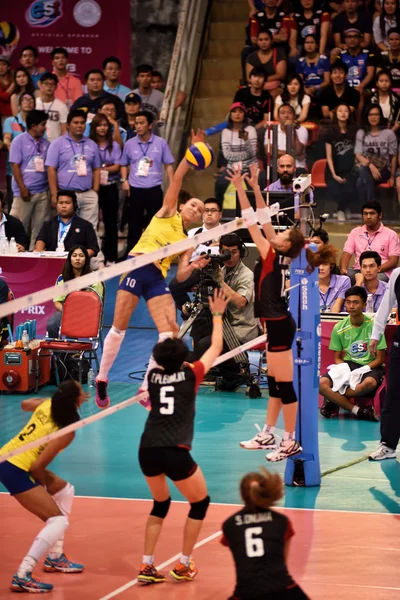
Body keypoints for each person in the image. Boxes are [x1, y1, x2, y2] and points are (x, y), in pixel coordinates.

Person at [231, 162, 336, 461]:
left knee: (284, 383)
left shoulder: (269, 254)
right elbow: (264, 219)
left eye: (282, 233)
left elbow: (255, 221)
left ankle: (289, 439)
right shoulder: (276, 253)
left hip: (279, 324)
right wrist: (252, 186)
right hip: (274, 322)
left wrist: (241, 188)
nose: (275, 233)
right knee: (276, 383)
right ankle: (268, 433)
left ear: (286, 244)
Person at [95, 130, 207, 409]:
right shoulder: (168, 211)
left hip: (157, 278)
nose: (197, 209)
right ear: (182, 206)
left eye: (202, 209)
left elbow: (180, 276)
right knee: (119, 328)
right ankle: (102, 377)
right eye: (193, 204)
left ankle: (146, 386)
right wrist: (192, 154)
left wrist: (194, 264)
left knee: (170, 332)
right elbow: (177, 178)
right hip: (137, 268)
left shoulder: (188, 241)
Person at [137, 289, 227, 584]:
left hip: (147, 448)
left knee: (160, 504)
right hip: (174, 449)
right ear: (184, 357)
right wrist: (217, 315)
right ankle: (184, 564)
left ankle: (147, 565)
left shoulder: (152, 376)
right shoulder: (193, 373)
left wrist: (171, 333)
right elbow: (216, 345)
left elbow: (164, 356)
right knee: (199, 503)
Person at [0, 381, 87, 593]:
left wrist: (43, 404)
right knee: (57, 521)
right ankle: (23, 575)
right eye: (81, 392)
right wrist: (41, 489)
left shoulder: (47, 405)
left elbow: (25, 404)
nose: (85, 394)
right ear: (75, 401)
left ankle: (55, 558)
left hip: (8, 457)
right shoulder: (66, 430)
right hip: (17, 469)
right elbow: (38, 466)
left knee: (65, 490)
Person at [221, 468, 310, 600]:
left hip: (246, 592)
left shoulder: (229, 525)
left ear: (242, 494)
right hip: (282, 589)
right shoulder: (281, 521)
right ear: (266, 491)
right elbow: (282, 560)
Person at [319, 286, 386, 420]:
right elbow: (337, 358)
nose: (351, 306)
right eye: (348, 302)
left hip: (370, 366)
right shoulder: (339, 327)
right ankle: (358, 411)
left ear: (364, 304)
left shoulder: (374, 326)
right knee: (321, 384)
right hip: (348, 365)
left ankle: (333, 399)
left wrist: (364, 368)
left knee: (369, 384)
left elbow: (380, 359)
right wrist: (345, 369)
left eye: (355, 302)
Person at [118, 110, 175, 251]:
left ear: (150, 125)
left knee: (155, 224)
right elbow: (123, 164)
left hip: (154, 189)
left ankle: (154, 254)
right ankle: (132, 254)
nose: (138, 126)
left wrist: (173, 185)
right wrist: (124, 180)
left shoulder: (160, 143)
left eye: (141, 123)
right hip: (135, 189)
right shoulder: (130, 144)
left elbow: (168, 164)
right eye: (136, 123)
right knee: (134, 225)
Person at [45, 109, 101, 232]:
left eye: (82, 123)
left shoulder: (91, 144)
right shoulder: (57, 144)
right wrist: (55, 194)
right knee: (65, 229)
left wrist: (95, 191)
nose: (79, 126)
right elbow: (51, 169)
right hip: (66, 194)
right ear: (68, 125)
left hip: (87, 194)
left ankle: (90, 251)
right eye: (75, 123)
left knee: (90, 229)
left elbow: (97, 169)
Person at [369, 267, 400, 460]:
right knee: (394, 395)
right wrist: (375, 335)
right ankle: (388, 445)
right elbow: (385, 306)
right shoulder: (397, 274)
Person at [9, 109, 50, 251]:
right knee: (18, 226)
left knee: (40, 228)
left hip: (43, 192)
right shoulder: (18, 141)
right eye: (43, 124)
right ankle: (13, 255)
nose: (45, 127)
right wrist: (22, 188)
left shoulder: (46, 143)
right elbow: (14, 165)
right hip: (24, 192)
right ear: (33, 126)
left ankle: (36, 256)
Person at [47, 245, 104, 337]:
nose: (78, 258)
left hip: (87, 314)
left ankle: (72, 350)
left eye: (81, 256)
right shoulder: (62, 278)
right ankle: (59, 351)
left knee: (73, 325)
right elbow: (57, 302)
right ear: (70, 259)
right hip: (67, 312)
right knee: (52, 325)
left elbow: (97, 304)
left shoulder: (94, 279)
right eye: (74, 256)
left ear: (86, 259)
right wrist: (68, 312)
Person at [89, 113, 121, 265]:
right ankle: (93, 257)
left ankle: (111, 257)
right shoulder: (88, 143)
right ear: (94, 127)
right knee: (92, 223)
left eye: (105, 125)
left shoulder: (113, 144)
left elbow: (117, 165)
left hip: (110, 187)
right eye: (99, 125)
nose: (102, 128)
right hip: (93, 187)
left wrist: (102, 169)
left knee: (110, 223)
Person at [340, 200, 400, 281]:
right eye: (365, 214)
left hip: (381, 272)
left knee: (373, 279)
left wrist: (373, 270)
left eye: (372, 213)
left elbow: (393, 261)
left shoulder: (391, 234)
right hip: (359, 270)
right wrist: (343, 270)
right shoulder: (355, 232)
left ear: (380, 215)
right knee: (343, 278)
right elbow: (346, 254)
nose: (368, 216)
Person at [215, 103, 258, 206]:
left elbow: (253, 153)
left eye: (240, 111)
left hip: (250, 168)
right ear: (230, 114)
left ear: (244, 114)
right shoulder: (225, 132)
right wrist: (245, 155)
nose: (237, 114)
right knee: (219, 184)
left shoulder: (251, 130)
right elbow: (227, 155)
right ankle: (219, 211)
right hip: (232, 169)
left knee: (254, 189)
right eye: (234, 111)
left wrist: (246, 140)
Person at [35, 190, 99, 256]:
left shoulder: (85, 225)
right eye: (60, 203)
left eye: (67, 203)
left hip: (75, 262)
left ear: (74, 205)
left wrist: (80, 256)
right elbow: (40, 240)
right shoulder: (48, 224)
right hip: (51, 261)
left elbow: (93, 248)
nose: (63, 206)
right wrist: (40, 253)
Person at [355, 104, 397, 203]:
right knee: (362, 171)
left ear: (380, 116)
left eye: (376, 114)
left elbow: (394, 156)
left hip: (383, 170)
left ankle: (366, 208)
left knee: (361, 181)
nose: (373, 117)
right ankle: (371, 204)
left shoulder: (389, 133)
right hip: (366, 167)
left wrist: (392, 176)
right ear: (367, 116)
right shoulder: (361, 133)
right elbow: (358, 154)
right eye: (370, 114)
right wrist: (370, 166)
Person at [241, 0, 290, 84]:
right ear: (263, 0)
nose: (271, 0)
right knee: (245, 51)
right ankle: (246, 82)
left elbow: (284, 37)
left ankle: (284, 83)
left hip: (278, 46)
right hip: (260, 46)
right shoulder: (256, 16)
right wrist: (272, 38)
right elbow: (253, 39)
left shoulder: (284, 15)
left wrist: (263, 38)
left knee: (284, 52)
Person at [2, 92, 36, 213]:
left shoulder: (37, 124)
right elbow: (7, 139)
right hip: (14, 170)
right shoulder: (10, 121)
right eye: (25, 100)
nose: (28, 102)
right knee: (14, 206)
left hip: (33, 172)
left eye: (31, 100)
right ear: (20, 104)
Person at [324, 103, 357, 221]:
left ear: (349, 114)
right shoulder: (330, 132)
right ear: (335, 114)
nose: (343, 113)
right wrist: (334, 175)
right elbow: (329, 156)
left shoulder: (354, 131)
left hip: (349, 170)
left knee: (350, 188)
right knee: (335, 188)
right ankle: (341, 209)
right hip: (333, 170)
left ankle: (342, 208)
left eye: (346, 111)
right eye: (340, 111)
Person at [265, 104, 308, 173]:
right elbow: (269, 151)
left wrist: (291, 130)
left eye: (290, 113)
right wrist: (291, 153)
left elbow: (298, 151)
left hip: (297, 168)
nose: (286, 115)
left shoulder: (301, 130)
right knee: (263, 175)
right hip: (276, 168)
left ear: (294, 116)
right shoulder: (272, 130)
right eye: (282, 113)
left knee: (302, 173)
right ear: (278, 117)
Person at [245, 30, 287, 96]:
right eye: (260, 40)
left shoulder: (279, 54)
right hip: (256, 85)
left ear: (271, 41)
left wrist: (261, 80)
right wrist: (261, 83)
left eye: (266, 39)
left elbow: (281, 75)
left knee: (273, 94)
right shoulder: (251, 57)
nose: (263, 42)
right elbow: (249, 78)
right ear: (257, 42)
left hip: (275, 86)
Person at [339, 29, 376, 95]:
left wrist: (361, 87)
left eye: (355, 36)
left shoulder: (368, 54)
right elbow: (339, 74)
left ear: (360, 39)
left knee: (359, 93)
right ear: (345, 40)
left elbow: (370, 74)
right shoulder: (341, 55)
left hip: (364, 88)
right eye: (349, 37)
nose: (352, 39)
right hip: (345, 88)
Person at [36, 72, 68, 142]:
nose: (49, 86)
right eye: (46, 84)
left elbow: (64, 130)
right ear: (40, 85)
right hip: (36, 143)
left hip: (55, 144)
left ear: (56, 86)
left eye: (52, 84)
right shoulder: (34, 104)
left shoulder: (62, 106)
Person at [296, 34, 330, 99]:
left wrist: (315, 88)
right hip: (306, 88)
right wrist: (305, 90)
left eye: (312, 42)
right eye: (307, 43)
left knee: (321, 93)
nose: (309, 45)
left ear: (317, 45)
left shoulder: (324, 60)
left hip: (320, 88)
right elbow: (299, 81)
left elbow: (327, 81)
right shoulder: (300, 61)